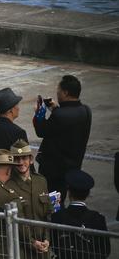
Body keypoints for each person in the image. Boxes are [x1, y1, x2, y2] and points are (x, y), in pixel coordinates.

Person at [35, 75, 92, 204]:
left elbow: (41, 131)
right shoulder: (86, 111)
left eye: (59, 91)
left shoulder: (59, 115)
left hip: (54, 171)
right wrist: (56, 109)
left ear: (65, 93)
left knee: (52, 203)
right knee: (63, 197)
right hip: (73, 166)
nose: (57, 93)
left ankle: (53, 221)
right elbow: (67, 125)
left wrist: (39, 114)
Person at [6, 139, 52, 259]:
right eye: (17, 159)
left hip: (43, 250)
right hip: (22, 251)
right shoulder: (8, 186)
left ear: (31, 160)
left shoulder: (41, 181)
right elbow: (15, 222)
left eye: (24, 158)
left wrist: (47, 239)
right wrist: (32, 242)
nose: (21, 162)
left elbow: (48, 214)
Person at [51, 170, 111, 259]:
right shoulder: (98, 218)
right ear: (88, 194)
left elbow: (54, 245)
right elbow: (105, 250)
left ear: (69, 192)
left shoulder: (58, 216)